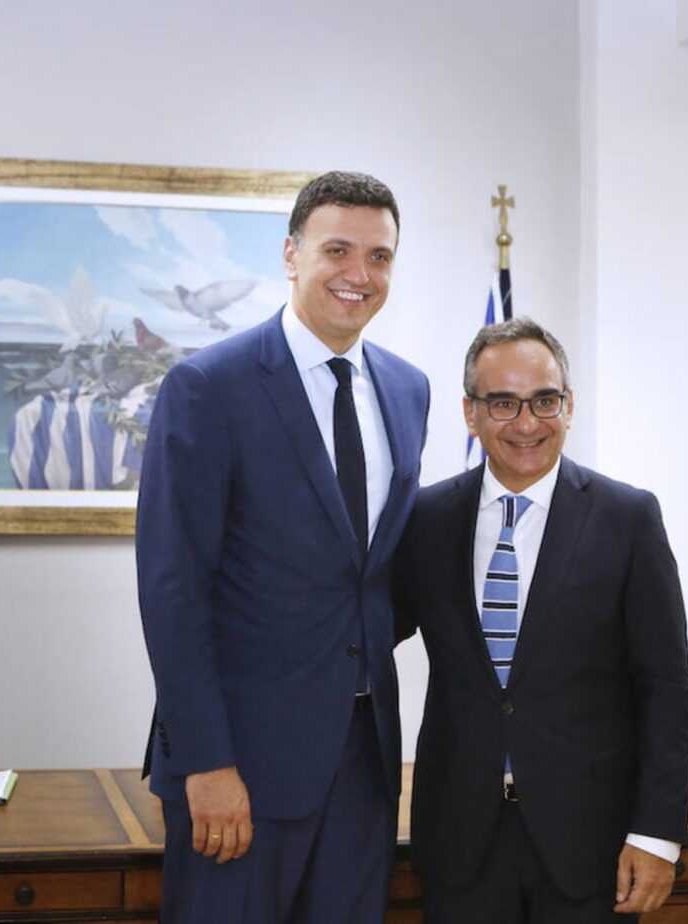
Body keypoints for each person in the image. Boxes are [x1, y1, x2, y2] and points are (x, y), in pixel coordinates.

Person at [136, 171, 430, 923]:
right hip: (240, 764)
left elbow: (375, 573)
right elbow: (173, 590)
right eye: (338, 250)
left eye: (380, 256)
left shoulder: (409, 391)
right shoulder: (209, 386)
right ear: (291, 255)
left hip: (363, 762)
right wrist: (206, 761)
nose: (360, 273)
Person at [395, 317, 688, 923]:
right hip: (460, 840)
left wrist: (657, 834)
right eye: (503, 403)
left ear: (569, 405)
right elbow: (365, 635)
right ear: (470, 412)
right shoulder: (426, 519)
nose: (527, 423)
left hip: (590, 844)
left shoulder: (628, 519)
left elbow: (666, 688)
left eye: (544, 400)